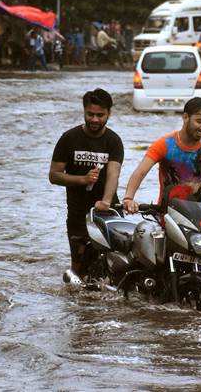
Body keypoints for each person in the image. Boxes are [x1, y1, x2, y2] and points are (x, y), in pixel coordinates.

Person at [122, 97, 201, 292]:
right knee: (157, 269)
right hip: (166, 217)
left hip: (197, 220)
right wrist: (128, 198)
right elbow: (140, 172)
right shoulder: (165, 144)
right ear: (185, 117)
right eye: (199, 121)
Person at [49, 89, 124, 284]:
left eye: (100, 115)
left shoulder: (113, 141)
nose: (95, 119)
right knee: (79, 270)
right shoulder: (69, 138)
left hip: (108, 213)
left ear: (109, 114)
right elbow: (54, 176)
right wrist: (82, 180)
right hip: (78, 213)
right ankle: (79, 310)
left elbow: (113, 175)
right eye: (90, 114)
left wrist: (106, 201)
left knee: (117, 268)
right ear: (84, 112)